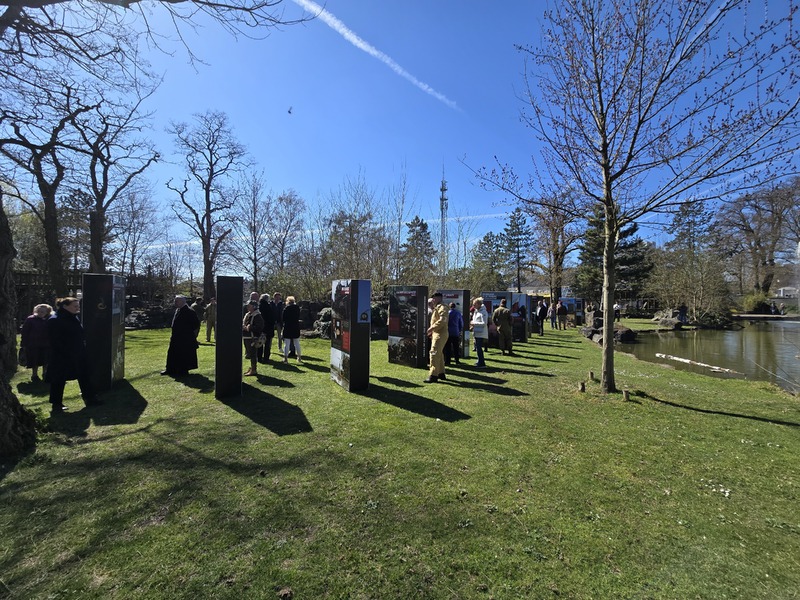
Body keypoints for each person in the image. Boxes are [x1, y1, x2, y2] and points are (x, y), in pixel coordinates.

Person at [46, 297, 101, 414]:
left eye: (78, 305)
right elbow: (54, 340)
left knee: (84, 375)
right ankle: (56, 404)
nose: (78, 308)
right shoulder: (55, 319)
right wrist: (66, 351)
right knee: (58, 379)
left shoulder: (72, 317)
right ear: (65, 306)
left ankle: (90, 398)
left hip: (78, 352)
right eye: (75, 306)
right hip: (62, 355)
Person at [161, 295, 200, 377]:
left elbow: (196, 324)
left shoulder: (189, 311)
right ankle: (170, 369)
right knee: (172, 353)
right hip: (176, 337)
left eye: (177, 301)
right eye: (175, 301)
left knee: (184, 354)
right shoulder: (178, 310)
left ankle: (183, 370)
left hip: (185, 338)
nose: (175, 303)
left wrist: (186, 331)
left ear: (182, 302)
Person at [20, 303, 52, 381]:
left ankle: (45, 373)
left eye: (43, 312)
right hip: (33, 343)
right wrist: (24, 342)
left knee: (46, 360)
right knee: (35, 360)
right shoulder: (31, 319)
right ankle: (34, 375)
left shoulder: (49, 319)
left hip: (46, 343)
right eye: (39, 311)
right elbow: (25, 331)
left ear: (47, 312)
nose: (40, 313)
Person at [424, 292, 448, 383]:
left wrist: (431, 328)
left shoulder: (442, 307)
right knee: (439, 354)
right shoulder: (437, 308)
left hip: (440, 334)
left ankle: (433, 375)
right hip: (436, 333)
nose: (432, 300)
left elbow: (442, 321)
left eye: (434, 298)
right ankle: (441, 373)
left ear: (437, 298)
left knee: (433, 353)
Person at [242, 300, 265, 376]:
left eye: (249, 306)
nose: (248, 307)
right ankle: (252, 368)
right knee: (249, 354)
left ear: (254, 307)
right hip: (246, 336)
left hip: (252, 337)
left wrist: (249, 327)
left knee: (252, 354)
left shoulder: (257, 315)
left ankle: (254, 369)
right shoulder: (248, 314)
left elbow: (259, 327)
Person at [281, 295, 302, 363]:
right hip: (295, 327)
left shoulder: (286, 309)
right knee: (297, 343)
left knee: (287, 343)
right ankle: (299, 357)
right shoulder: (297, 308)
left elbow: (283, 319)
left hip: (288, 327)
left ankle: (286, 358)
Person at [470, 297, 489, 368]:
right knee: (477, 348)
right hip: (476, 332)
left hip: (481, 333)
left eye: (474, 304)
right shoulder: (476, 312)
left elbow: (484, 323)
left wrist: (474, 323)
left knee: (479, 347)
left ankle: (482, 363)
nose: (473, 306)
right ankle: (479, 361)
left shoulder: (483, 312)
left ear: (479, 304)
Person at [258, 293, 276, 363]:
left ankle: (259, 357)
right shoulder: (269, 307)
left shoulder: (259, 307)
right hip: (268, 328)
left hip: (260, 328)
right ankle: (266, 358)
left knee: (260, 343)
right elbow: (272, 318)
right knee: (267, 344)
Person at [444, 302, 463, 366]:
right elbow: (461, 323)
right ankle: (457, 360)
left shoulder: (447, 313)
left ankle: (447, 361)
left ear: (449, 306)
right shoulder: (458, 313)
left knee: (448, 347)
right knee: (456, 347)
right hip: (455, 331)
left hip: (448, 331)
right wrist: (459, 330)